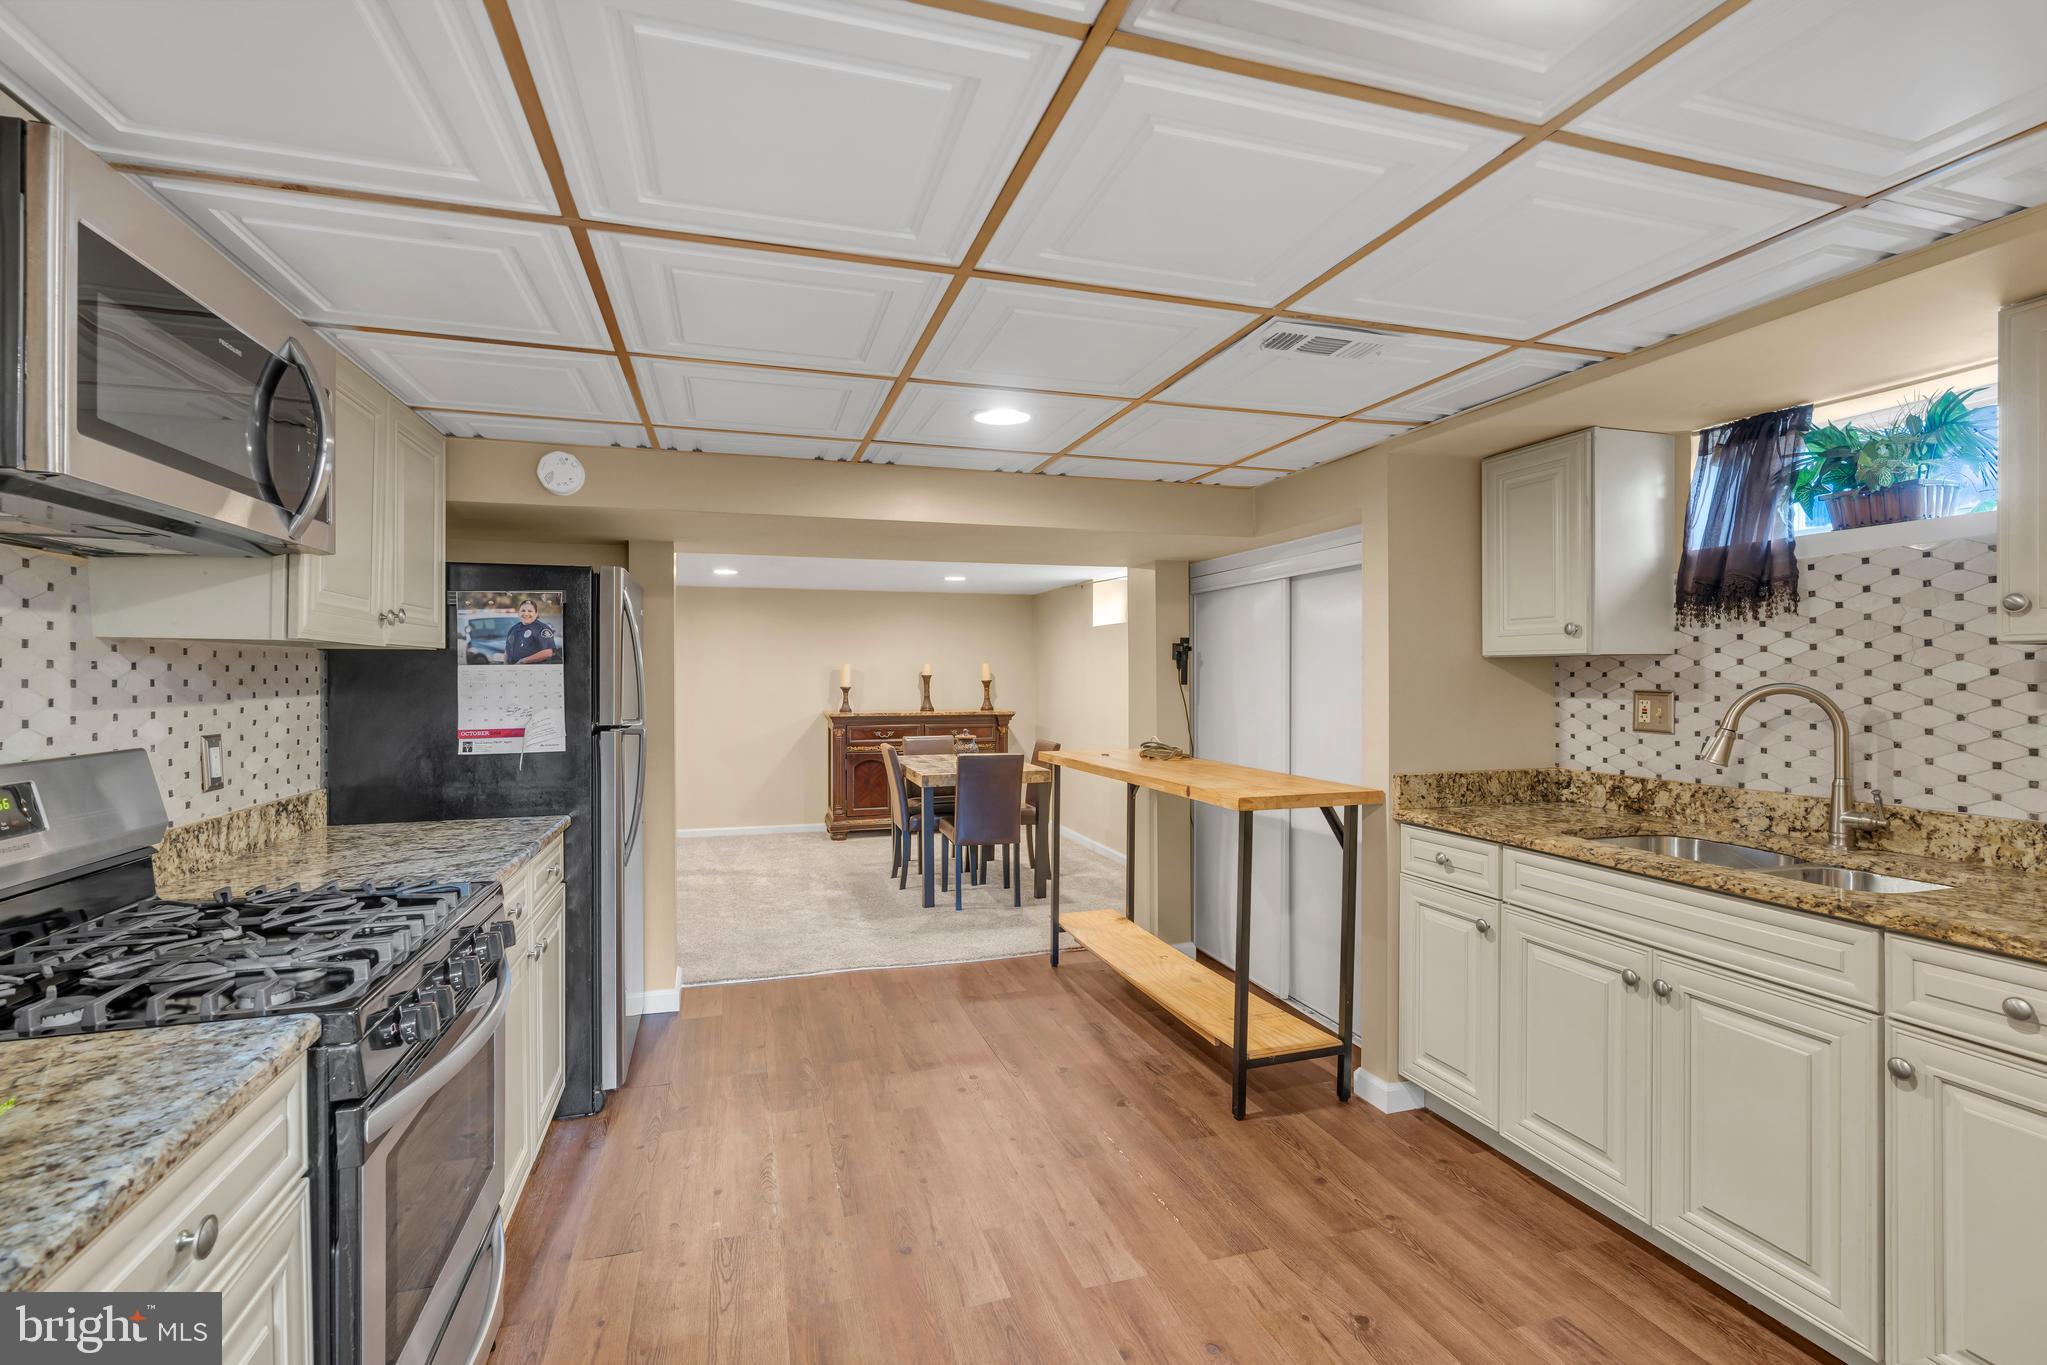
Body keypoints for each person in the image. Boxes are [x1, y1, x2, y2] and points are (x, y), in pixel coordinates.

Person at [503, 599, 561, 664]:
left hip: (533, 670)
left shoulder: (542, 629)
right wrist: (505, 666)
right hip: (512, 670)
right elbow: (507, 650)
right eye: (523, 611)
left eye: (530, 611)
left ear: (536, 614)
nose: (526, 613)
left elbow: (547, 653)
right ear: (519, 613)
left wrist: (523, 661)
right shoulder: (513, 628)